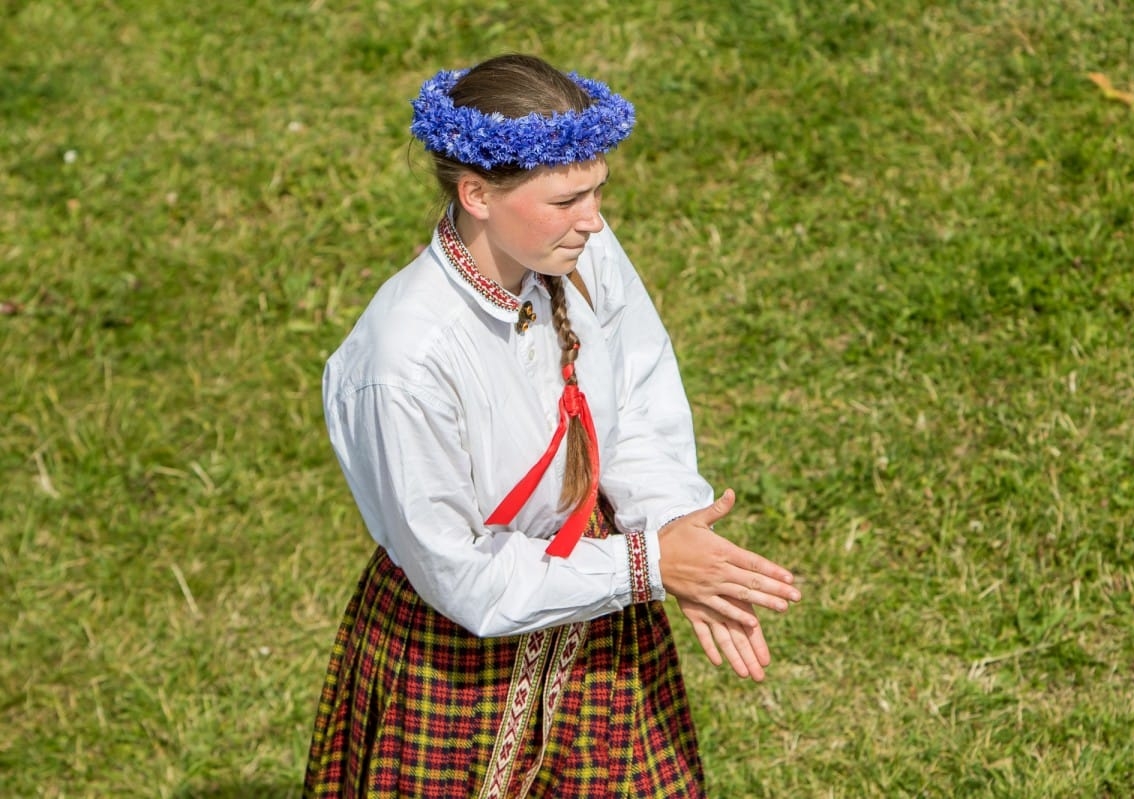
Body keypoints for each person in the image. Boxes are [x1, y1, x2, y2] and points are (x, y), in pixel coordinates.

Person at [303, 53, 801, 799]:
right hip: (457, 653)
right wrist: (647, 565)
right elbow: (464, 576)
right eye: (567, 198)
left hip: (598, 617)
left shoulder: (581, 251)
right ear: (476, 193)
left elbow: (634, 394)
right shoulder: (403, 360)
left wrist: (672, 531)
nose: (594, 219)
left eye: (598, 191)